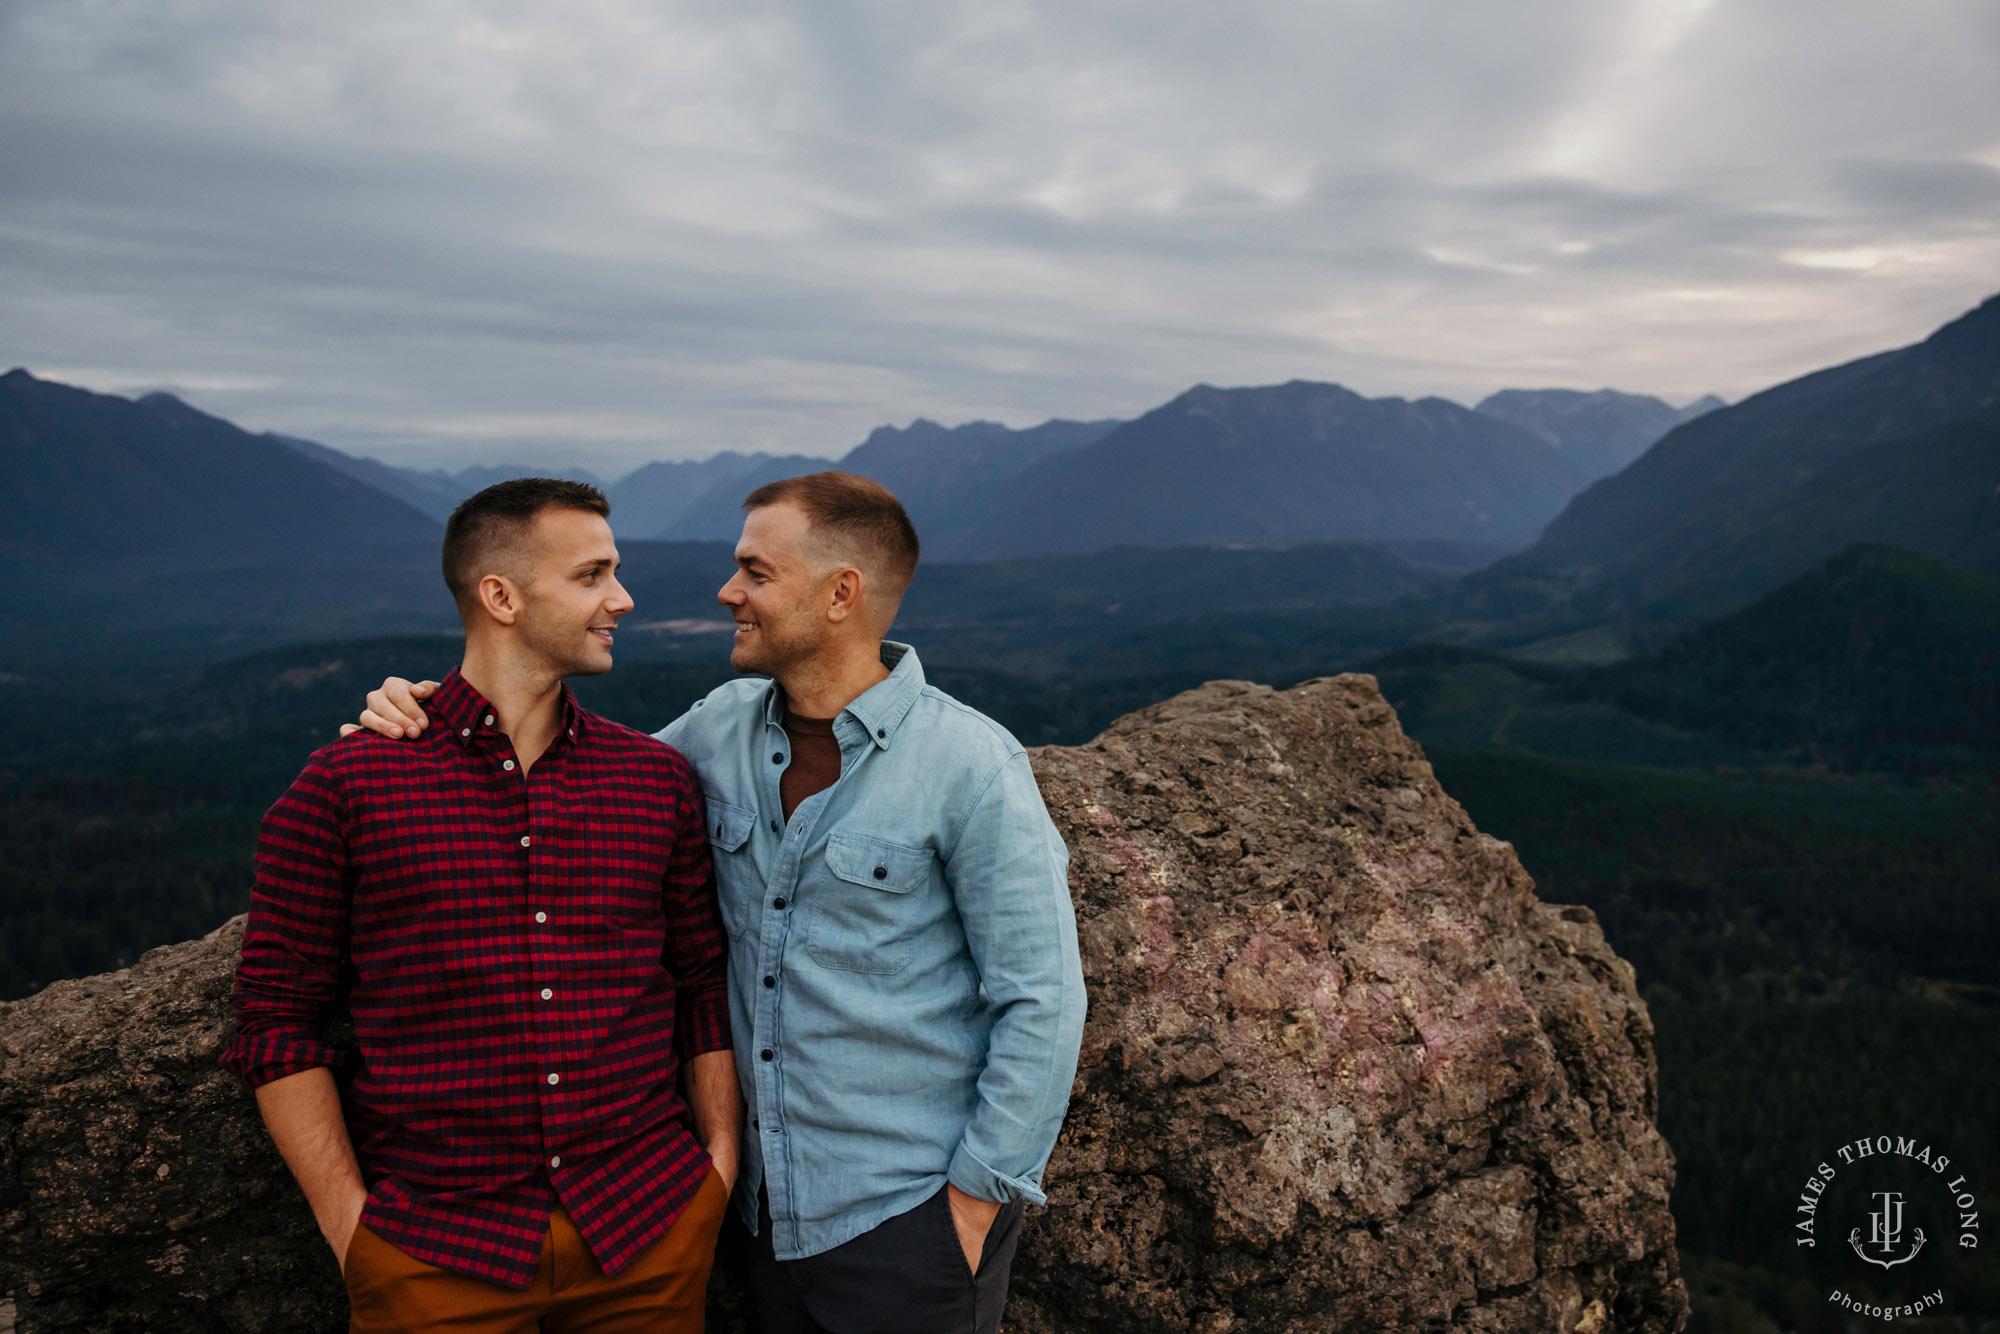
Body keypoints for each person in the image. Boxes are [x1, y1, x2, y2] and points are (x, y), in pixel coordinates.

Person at [347, 471, 1086, 1334]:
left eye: (755, 572)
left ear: (841, 593)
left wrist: (970, 1206)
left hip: (907, 1218)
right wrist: (421, 718)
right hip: (763, 1224)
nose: (728, 591)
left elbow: (1042, 1000)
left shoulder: (971, 767)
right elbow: (562, 774)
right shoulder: (715, 731)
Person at [223, 479, 741, 1332]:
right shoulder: (347, 787)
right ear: (500, 596)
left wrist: (717, 1165)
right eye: (592, 575)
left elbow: (699, 980)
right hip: (433, 1253)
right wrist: (351, 1229)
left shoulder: (655, 781)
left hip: (649, 1231)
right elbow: (276, 1020)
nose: (622, 598)